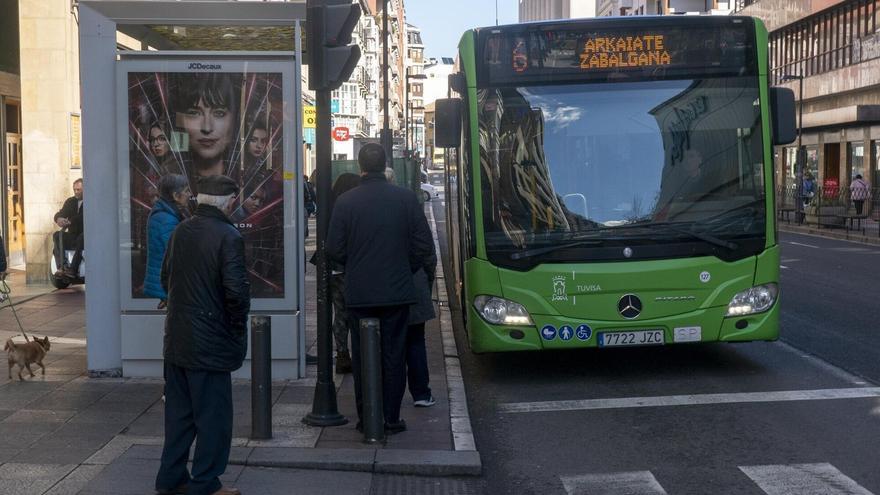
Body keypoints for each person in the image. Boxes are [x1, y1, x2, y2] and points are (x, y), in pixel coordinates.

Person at [326, 143, 434, 434]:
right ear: (385, 163)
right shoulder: (406, 199)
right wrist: (403, 265)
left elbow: (333, 249)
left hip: (360, 293)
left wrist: (356, 265)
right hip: (397, 291)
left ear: (360, 166)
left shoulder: (346, 202)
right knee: (394, 354)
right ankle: (391, 416)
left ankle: (367, 417)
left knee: (363, 357)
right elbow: (423, 246)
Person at [155, 175, 249, 495]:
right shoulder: (228, 235)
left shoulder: (182, 230)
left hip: (178, 339)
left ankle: (170, 479)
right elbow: (236, 294)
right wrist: (235, 330)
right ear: (230, 202)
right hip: (209, 342)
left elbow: (166, 277)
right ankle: (206, 482)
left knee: (179, 416)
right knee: (213, 418)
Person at [328, 173, 361, 374]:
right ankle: (361, 350)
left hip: (335, 268)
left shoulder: (332, 205)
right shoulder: (352, 206)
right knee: (357, 311)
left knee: (340, 313)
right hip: (352, 267)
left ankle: (342, 353)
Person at [178, 74, 238, 179]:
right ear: (180, 121)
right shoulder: (168, 178)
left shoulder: (249, 182)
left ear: (234, 121)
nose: (207, 128)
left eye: (219, 113)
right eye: (194, 113)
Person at [144, 175, 190, 309]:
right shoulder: (167, 219)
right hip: (168, 283)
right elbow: (177, 252)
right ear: (176, 195)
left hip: (165, 283)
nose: (189, 194)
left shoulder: (165, 213)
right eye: (186, 191)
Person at [406, 246, 437, 408]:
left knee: (390, 343)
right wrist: (427, 280)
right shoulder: (415, 219)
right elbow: (429, 255)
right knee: (416, 341)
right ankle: (421, 393)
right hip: (414, 283)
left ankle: (387, 394)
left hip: (385, 286)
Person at [53, 179, 84, 280]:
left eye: (78, 190)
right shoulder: (70, 201)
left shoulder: (91, 201)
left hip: (85, 234)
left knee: (82, 237)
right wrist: (59, 219)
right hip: (73, 235)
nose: (76, 192)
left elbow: (83, 216)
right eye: (74, 189)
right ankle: (62, 267)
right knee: (57, 235)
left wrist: (70, 221)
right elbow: (61, 212)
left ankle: (73, 269)